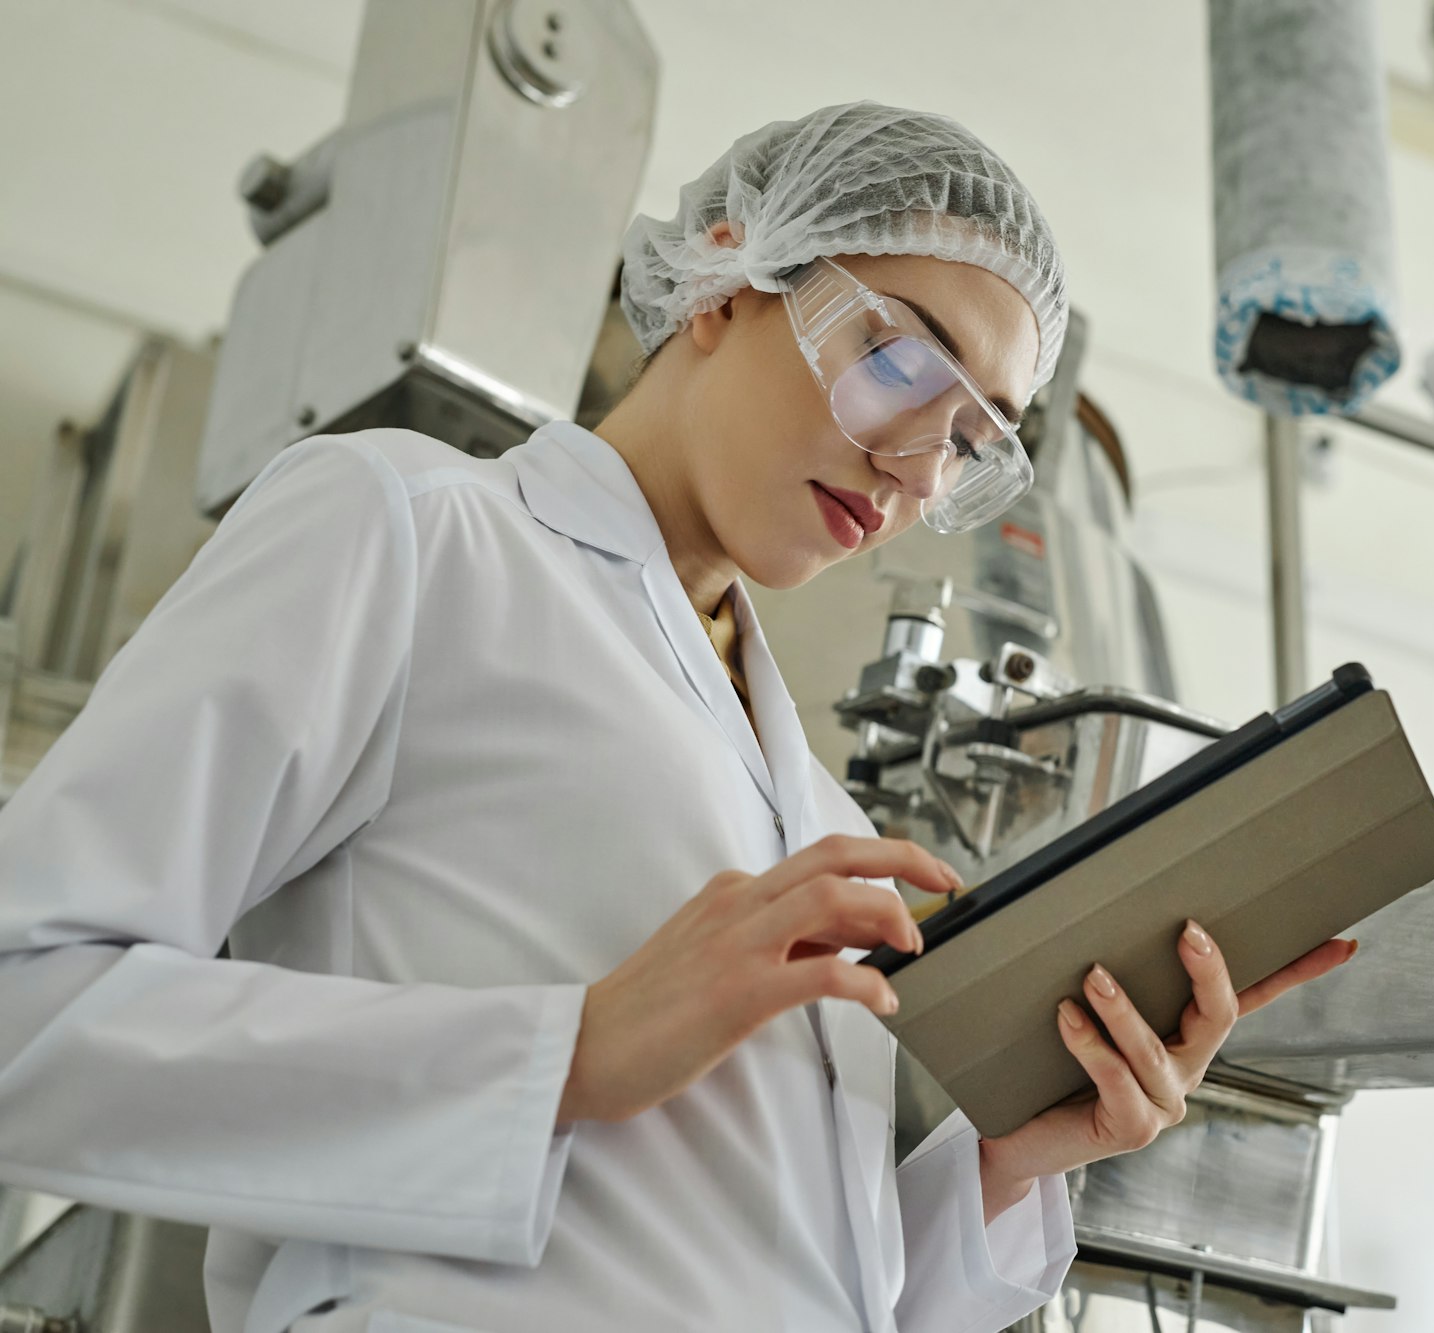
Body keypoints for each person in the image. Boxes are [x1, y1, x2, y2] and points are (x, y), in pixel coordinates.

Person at [0, 102, 1357, 1332]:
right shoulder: (414, 534)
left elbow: (803, 1281)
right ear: (727, 269)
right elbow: (26, 1006)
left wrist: (1016, 1154)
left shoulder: (810, 808)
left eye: (968, 442)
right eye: (896, 361)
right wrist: (568, 1054)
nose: (908, 468)